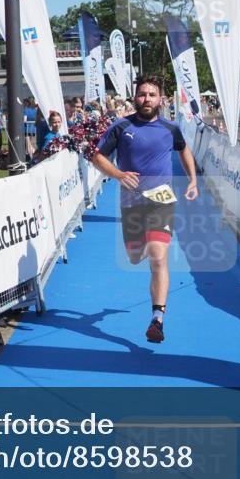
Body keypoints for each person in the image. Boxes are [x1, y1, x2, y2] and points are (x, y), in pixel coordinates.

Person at [90, 76, 199, 344]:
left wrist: (193, 179)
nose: (147, 99)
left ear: (161, 99)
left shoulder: (170, 128)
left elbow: (183, 151)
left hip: (162, 199)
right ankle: (139, 253)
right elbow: (97, 156)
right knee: (136, 256)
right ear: (135, 98)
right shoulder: (121, 126)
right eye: (142, 94)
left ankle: (157, 319)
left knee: (158, 256)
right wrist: (118, 174)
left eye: (152, 94)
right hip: (132, 202)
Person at [23, 97, 38, 162]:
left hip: (27, 129)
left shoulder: (26, 110)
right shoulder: (36, 110)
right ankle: (34, 157)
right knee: (32, 144)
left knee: (29, 145)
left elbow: (24, 120)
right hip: (34, 128)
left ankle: (32, 158)